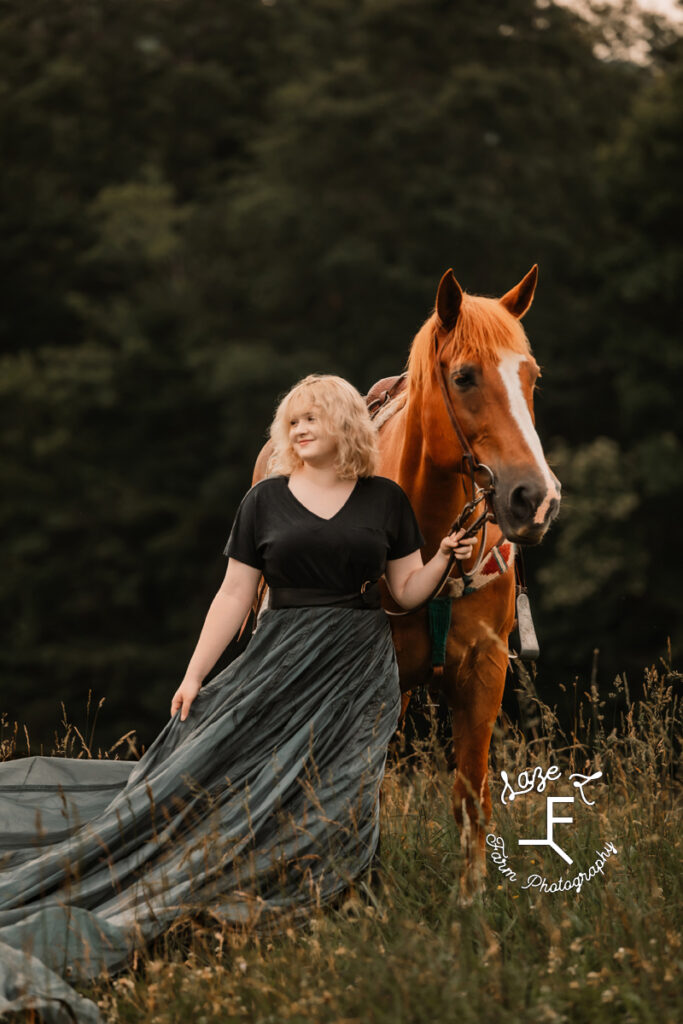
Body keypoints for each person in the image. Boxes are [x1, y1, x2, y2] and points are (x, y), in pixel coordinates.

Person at [0, 373, 474, 1024]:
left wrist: (444, 556)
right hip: (279, 655)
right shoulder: (266, 502)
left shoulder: (385, 501)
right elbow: (232, 594)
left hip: (358, 663)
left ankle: (334, 899)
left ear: (344, 423)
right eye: (293, 419)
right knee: (226, 775)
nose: (300, 428)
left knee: (346, 783)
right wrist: (195, 674)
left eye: (313, 417)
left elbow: (405, 592)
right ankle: (238, 893)